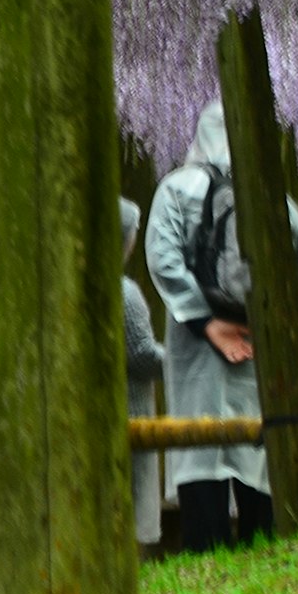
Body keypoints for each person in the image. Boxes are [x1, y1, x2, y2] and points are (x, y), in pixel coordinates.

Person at [143, 104, 298, 550]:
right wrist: (283, 325)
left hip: (196, 358)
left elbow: (163, 260)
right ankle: (262, 557)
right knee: (257, 455)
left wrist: (206, 322)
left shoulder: (175, 188)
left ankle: (203, 562)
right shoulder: (265, 191)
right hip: (255, 349)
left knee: (199, 453)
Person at [121, 199, 167, 553]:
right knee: (131, 506)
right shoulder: (125, 293)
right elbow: (142, 355)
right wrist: (184, 359)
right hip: (130, 411)